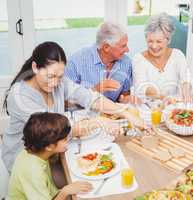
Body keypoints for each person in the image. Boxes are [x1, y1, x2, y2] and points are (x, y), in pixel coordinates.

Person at [2, 41, 149, 172]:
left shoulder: (59, 82)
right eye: (51, 76)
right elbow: (51, 131)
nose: (55, 83)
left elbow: (90, 98)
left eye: (59, 77)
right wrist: (98, 122)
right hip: (26, 162)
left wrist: (126, 113)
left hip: (52, 153)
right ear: (35, 67)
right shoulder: (19, 96)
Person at [8, 112, 92, 200]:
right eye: (64, 139)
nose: (68, 140)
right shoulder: (34, 172)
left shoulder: (33, 151)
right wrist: (65, 191)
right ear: (49, 146)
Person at [65, 22, 138, 103]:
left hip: (114, 113)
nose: (127, 50)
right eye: (123, 46)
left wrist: (125, 99)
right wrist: (94, 90)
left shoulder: (126, 62)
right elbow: (64, 103)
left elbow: (124, 95)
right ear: (106, 47)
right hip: (83, 114)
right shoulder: (76, 62)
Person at [132, 13, 193, 101]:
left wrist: (186, 89)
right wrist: (164, 98)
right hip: (148, 108)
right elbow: (143, 87)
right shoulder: (138, 59)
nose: (154, 46)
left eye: (159, 41)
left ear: (168, 40)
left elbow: (186, 78)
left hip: (173, 107)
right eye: (150, 41)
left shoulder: (177, 55)